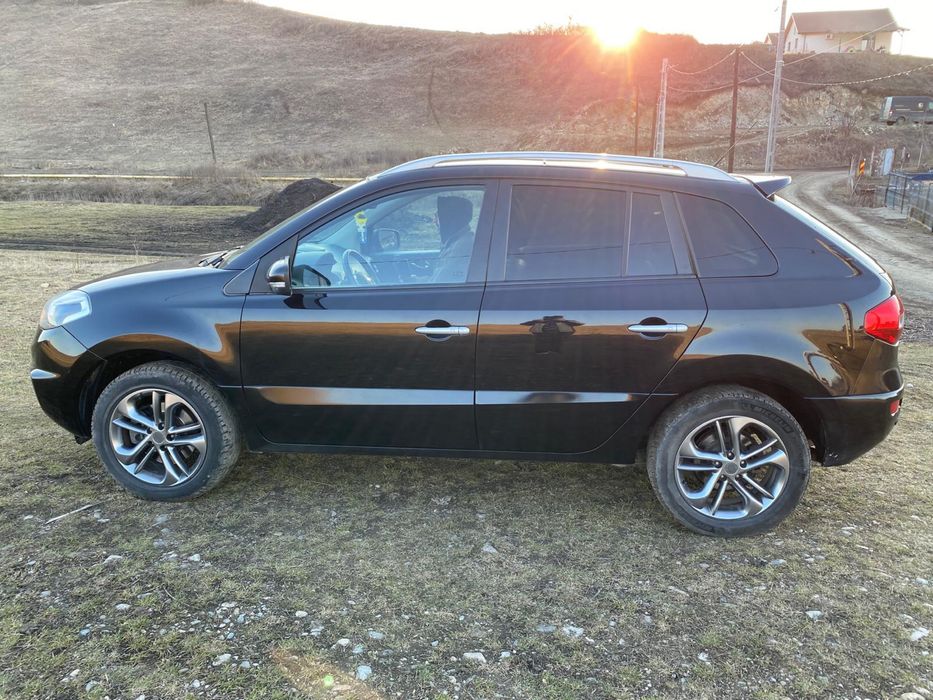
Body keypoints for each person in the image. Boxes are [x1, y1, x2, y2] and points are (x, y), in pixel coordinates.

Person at [431, 195, 475, 283]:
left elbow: (439, 282)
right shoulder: (457, 240)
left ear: (449, 218)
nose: (434, 221)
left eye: (437, 216)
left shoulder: (461, 247)